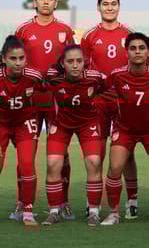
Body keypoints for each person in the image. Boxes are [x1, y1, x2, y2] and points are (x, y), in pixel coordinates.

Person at [15, 0, 75, 220]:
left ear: (56, 2)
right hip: (30, 100)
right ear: (35, 2)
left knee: (62, 153)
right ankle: (23, 202)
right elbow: (13, 61)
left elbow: (74, 63)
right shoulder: (22, 30)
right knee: (26, 153)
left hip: (57, 101)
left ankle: (64, 202)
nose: (46, 1)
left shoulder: (66, 30)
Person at [100, 33, 149, 227]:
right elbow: (100, 89)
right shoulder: (116, 75)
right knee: (115, 168)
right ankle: (113, 213)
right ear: (127, 52)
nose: (137, 51)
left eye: (142, 48)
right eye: (133, 48)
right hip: (125, 129)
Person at [80, 0, 139, 219]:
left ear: (119, 7)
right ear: (98, 7)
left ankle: (132, 200)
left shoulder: (129, 33)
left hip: (124, 99)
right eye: (105, 4)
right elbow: (82, 67)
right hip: (98, 101)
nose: (110, 8)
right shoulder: (89, 36)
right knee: (96, 151)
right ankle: (91, 201)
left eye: (113, 4)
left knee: (127, 152)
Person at [0, 35, 43, 229]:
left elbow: (47, 93)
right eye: (13, 59)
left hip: (25, 123)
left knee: (27, 165)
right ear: (4, 59)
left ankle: (28, 212)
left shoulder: (34, 76)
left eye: (21, 58)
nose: (18, 62)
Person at [41, 45, 108, 226]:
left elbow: (107, 87)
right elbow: (40, 84)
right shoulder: (54, 78)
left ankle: (94, 211)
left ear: (85, 62)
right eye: (70, 61)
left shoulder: (95, 77)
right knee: (52, 163)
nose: (75, 65)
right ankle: (54, 210)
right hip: (61, 124)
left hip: (88, 123)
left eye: (79, 61)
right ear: (63, 63)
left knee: (94, 162)